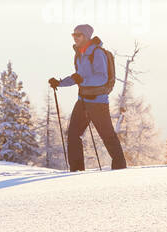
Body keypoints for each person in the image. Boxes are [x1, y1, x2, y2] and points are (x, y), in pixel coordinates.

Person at [49, 24, 127, 171]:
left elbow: (102, 78)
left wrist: (82, 80)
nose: (75, 38)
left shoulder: (96, 53)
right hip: (83, 101)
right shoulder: (80, 54)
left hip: (98, 102)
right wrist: (59, 83)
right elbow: (77, 77)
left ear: (86, 36)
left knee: (107, 136)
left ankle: (120, 168)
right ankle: (76, 171)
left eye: (78, 35)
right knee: (73, 134)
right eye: (73, 35)